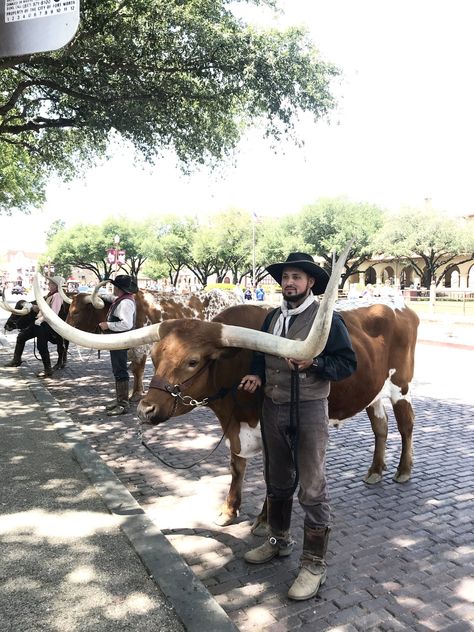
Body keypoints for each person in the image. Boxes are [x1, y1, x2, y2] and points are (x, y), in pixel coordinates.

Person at [239, 252, 357, 601]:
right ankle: (278, 541)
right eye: (286, 277)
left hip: (309, 409)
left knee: (311, 488)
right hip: (272, 408)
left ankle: (314, 565)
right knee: (276, 481)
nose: (289, 282)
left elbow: (346, 363)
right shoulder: (272, 317)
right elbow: (261, 355)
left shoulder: (326, 319)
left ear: (310, 284)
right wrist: (255, 374)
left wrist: (315, 362)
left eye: (297, 277)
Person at [4, 276, 66, 377]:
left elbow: (53, 313)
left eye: (51, 284)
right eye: (49, 283)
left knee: (41, 345)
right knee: (21, 337)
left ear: (56, 286)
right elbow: (43, 308)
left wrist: (40, 318)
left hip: (47, 325)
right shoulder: (49, 295)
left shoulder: (57, 296)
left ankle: (47, 369)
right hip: (39, 323)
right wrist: (34, 307)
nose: (49, 285)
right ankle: (16, 360)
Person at [98, 274, 138, 416]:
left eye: (114, 286)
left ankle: (122, 404)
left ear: (119, 288)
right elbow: (112, 298)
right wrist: (100, 294)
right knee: (118, 369)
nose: (113, 288)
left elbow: (126, 324)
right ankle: (120, 399)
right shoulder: (122, 299)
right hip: (118, 340)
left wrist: (107, 325)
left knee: (120, 370)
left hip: (120, 340)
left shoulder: (125, 303)